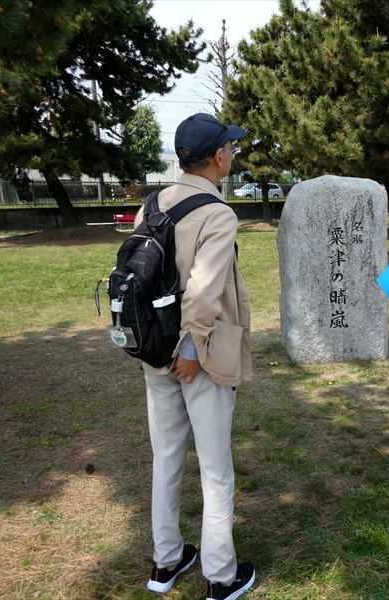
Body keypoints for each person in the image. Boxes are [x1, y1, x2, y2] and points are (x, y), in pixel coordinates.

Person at [134, 113, 255, 599]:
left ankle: (166, 563)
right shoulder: (218, 213)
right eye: (231, 147)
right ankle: (221, 577)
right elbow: (203, 293)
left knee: (166, 458)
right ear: (218, 156)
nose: (233, 154)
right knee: (215, 467)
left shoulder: (151, 204)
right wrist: (191, 351)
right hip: (196, 356)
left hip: (153, 351)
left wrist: (168, 350)